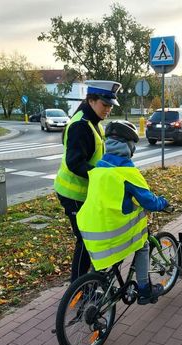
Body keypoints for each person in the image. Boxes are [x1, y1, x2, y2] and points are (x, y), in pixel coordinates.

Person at [77, 120, 169, 304]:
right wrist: (163, 202)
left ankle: (98, 284)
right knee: (142, 245)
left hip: (91, 230)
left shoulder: (99, 168)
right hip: (113, 233)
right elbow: (148, 201)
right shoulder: (127, 172)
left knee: (103, 261)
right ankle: (144, 290)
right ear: (129, 147)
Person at [54, 80, 121, 282]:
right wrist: (102, 176)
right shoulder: (80, 126)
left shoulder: (93, 122)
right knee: (85, 241)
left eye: (110, 105)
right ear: (91, 100)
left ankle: (86, 282)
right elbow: (75, 163)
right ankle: (79, 286)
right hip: (72, 194)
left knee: (91, 239)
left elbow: (97, 155)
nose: (108, 109)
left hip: (86, 192)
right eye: (105, 104)